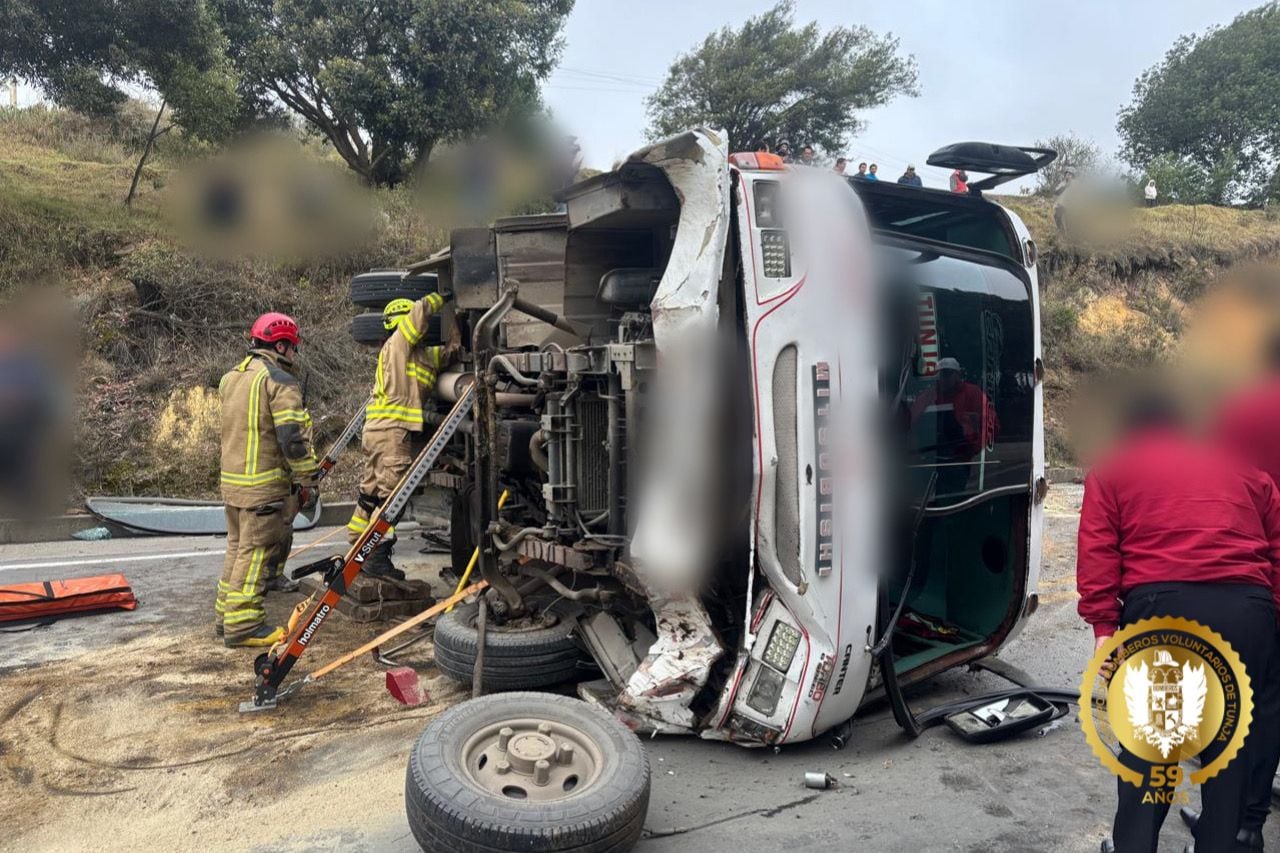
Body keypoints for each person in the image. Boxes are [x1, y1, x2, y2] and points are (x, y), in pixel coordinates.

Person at [1078, 392, 1280, 853]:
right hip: (1247, 610)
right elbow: (1277, 548)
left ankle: (1133, 845)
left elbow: (1097, 552)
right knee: (1230, 751)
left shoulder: (1113, 468)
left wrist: (1103, 629)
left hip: (1162, 609)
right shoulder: (1244, 469)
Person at [1205, 334, 1280, 849]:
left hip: (1256, 573)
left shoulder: (1240, 410)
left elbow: (1214, 488)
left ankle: (1240, 824)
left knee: (1251, 701)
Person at [216, 313, 320, 647]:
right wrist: (308, 477)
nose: (294, 355)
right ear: (280, 345)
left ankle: (226, 616)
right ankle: (244, 624)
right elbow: (291, 438)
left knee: (237, 548)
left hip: (234, 485)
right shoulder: (279, 381)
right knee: (256, 553)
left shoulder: (232, 377)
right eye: (293, 348)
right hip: (263, 487)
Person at [347, 293, 458, 580]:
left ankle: (356, 547)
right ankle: (377, 559)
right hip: (390, 432)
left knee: (370, 493)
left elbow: (450, 352)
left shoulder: (420, 357)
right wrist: (442, 298)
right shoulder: (396, 346)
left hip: (379, 431)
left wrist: (457, 321)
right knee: (391, 498)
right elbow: (416, 317)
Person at [909, 357, 998, 496]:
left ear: (958, 374)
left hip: (962, 461)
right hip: (930, 460)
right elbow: (910, 424)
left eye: (948, 374)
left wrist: (973, 449)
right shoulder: (928, 397)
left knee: (956, 498)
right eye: (940, 374)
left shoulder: (973, 394)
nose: (944, 378)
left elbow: (992, 426)